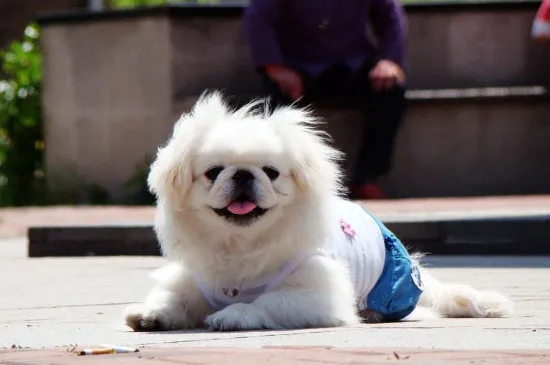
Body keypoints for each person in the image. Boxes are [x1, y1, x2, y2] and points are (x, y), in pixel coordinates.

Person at [243, 0, 408, 199]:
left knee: (390, 91)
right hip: (296, 68)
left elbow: (390, 16)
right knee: (277, 103)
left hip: (352, 65)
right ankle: (280, 180)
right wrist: (274, 66)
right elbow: (258, 17)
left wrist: (390, 60)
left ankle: (366, 178)